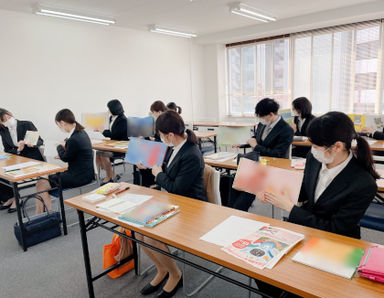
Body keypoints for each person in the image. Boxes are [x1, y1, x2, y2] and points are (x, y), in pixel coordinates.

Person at [255, 112, 378, 297]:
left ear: (337, 146)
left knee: (297, 286)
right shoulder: (315, 158)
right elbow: (306, 190)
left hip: (336, 242)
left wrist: (289, 208)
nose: (311, 149)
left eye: (315, 145)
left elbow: (335, 228)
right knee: (261, 266)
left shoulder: (363, 183)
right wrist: (275, 191)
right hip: (304, 228)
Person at [136, 111, 206, 298]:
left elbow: (177, 188)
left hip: (190, 206)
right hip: (171, 200)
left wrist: (158, 174)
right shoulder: (174, 147)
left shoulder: (191, 153)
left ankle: (175, 274)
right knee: (138, 231)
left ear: (170, 135)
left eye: (160, 134)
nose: (159, 138)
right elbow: (168, 171)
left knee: (151, 236)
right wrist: (149, 166)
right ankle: (162, 269)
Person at [230, 98, 294, 211]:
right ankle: (230, 209)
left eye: (261, 116)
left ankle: (236, 212)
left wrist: (256, 146)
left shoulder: (286, 129)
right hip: (257, 162)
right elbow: (256, 139)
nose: (260, 119)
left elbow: (277, 154)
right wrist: (243, 144)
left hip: (272, 165)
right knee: (233, 179)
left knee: (248, 184)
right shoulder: (262, 124)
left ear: (271, 114)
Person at [37, 109, 94, 214]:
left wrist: (59, 146)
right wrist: (64, 149)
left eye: (58, 125)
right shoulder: (81, 132)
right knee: (43, 180)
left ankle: (45, 216)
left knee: (42, 183)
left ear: (62, 123)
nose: (59, 127)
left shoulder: (74, 138)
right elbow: (72, 153)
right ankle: (43, 214)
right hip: (86, 173)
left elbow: (65, 158)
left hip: (79, 176)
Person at [0, 108, 45, 213]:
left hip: (32, 159)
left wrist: (30, 143)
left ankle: (17, 199)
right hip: (17, 158)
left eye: (3, 120)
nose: (3, 123)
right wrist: (18, 151)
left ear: (7, 115)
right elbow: (7, 149)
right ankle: (10, 197)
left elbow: (39, 141)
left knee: (7, 172)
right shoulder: (3, 130)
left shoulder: (26, 124)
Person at [96, 99, 128, 184]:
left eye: (109, 108)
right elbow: (108, 130)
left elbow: (114, 134)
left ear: (113, 109)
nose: (108, 110)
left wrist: (102, 131)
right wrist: (99, 129)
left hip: (121, 147)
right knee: (98, 153)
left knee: (103, 154)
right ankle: (111, 174)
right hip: (113, 145)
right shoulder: (111, 118)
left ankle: (109, 176)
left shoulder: (123, 120)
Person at [139, 101, 168, 187]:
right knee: (143, 162)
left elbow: (165, 140)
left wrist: (154, 139)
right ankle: (149, 186)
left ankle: (152, 185)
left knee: (147, 164)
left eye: (153, 113)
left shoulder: (166, 121)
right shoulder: (158, 121)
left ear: (159, 112)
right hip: (159, 147)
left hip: (165, 149)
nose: (152, 115)